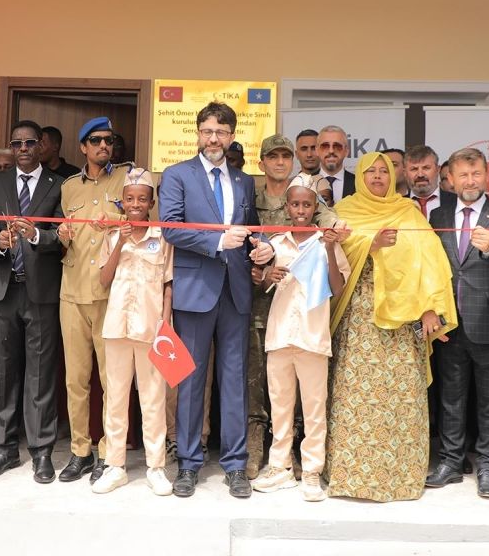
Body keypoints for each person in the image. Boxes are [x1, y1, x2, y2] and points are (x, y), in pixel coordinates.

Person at [324, 152, 457, 502]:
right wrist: (371, 244)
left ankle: (400, 477)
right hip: (360, 316)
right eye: (371, 171)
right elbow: (334, 255)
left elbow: (431, 263)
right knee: (356, 395)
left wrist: (431, 309)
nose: (378, 176)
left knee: (400, 397)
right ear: (360, 176)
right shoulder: (346, 211)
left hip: (402, 319)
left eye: (384, 171)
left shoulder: (408, 212)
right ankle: (352, 476)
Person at [158, 101, 267, 499]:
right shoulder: (177, 175)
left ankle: (235, 465)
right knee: (190, 380)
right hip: (195, 290)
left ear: (232, 136)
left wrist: (264, 246)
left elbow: (251, 227)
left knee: (234, 379)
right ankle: (188, 463)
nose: (213, 139)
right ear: (198, 134)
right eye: (207, 131)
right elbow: (171, 228)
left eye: (221, 132)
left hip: (236, 289)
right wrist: (218, 241)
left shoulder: (243, 181)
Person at [424, 148, 489, 499]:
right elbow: (428, 266)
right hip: (449, 324)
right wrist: (431, 311)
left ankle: (488, 467)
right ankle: (451, 462)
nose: (469, 181)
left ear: (487, 176)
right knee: (451, 398)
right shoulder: (438, 215)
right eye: (463, 175)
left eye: (476, 174)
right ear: (450, 178)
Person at [251, 173, 349, 502]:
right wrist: (269, 275)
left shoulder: (325, 243)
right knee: (279, 407)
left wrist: (331, 248)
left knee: (314, 409)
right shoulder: (276, 243)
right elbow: (261, 283)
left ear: (315, 207)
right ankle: (279, 467)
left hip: (312, 338)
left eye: (307, 205)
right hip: (280, 336)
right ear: (287, 206)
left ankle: (311, 471)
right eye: (295, 204)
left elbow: (338, 288)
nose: (301, 210)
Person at [0, 120, 65, 483]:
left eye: (30, 143)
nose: (24, 149)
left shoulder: (59, 184)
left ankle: (41, 451)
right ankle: (5, 449)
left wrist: (38, 236)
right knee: (3, 371)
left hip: (40, 290)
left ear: (42, 144)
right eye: (17, 144)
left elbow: (63, 235)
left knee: (40, 373)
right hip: (3, 288)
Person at [54, 116, 132, 484]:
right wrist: (62, 234)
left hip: (109, 293)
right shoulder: (69, 187)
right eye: (97, 141)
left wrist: (114, 220)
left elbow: (143, 221)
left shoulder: (128, 178)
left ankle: (108, 452)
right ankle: (80, 451)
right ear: (83, 147)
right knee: (76, 380)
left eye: (109, 140)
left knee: (111, 380)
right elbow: (65, 238)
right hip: (72, 292)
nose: (104, 146)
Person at [91, 168, 174, 496]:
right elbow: (104, 279)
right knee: (116, 398)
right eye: (129, 199)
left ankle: (156, 466)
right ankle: (115, 466)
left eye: (142, 199)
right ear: (122, 202)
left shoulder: (163, 237)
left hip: (150, 329)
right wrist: (121, 242)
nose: (135, 204)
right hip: (117, 327)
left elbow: (168, 284)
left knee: (153, 399)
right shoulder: (113, 235)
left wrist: (165, 325)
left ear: (151, 203)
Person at [316, 125, 354, 204]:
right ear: (317, 150)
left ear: (346, 151)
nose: (331, 151)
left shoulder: (359, 183)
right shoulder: (305, 183)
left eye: (337, 146)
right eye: (325, 146)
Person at [406, 146, 444, 220]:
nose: (420, 175)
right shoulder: (396, 206)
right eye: (414, 169)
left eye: (426, 168)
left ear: (438, 170)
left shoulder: (456, 201)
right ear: (405, 173)